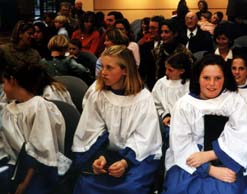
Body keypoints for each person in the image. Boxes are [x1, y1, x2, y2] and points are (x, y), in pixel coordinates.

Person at [71, 45, 162, 194]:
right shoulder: (98, 94)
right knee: (87, 185)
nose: (103, 73)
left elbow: (145, 138)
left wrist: (125, 162)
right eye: (102, 67)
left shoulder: (143, 98)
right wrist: (100, 157)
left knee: (131, 188)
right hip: (106, 152)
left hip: (135, 156)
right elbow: (92, 130)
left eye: (109, 68)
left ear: (125, 70)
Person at [162, 54, 247, 194]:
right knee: (181, 188)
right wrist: (209, 169)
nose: (212, 84)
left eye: (218, 78)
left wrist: (211, 155)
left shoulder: (234, 101)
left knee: (227, 189)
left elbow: (242, 138)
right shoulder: (184, 105)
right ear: (198, 78)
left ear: (225, 79)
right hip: (189, 161)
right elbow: (180, 144)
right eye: (206, 78)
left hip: (227, 160)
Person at [0, 61, 68, 194]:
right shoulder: (10, 108)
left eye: (4, 82)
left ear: (13, 81)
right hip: (14, 163)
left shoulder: (39, 107)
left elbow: (41, 150)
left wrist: (23, 184)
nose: (3, 88)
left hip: (36, 170)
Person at [152, 52, 192, 141]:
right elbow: (155, 104)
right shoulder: (161, 83)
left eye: (170, 70)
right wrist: (165, 115)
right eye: (166, 69)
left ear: (182, 70)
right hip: (164, 122)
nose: (166, 72)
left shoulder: (189, 86)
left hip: (184, 125)